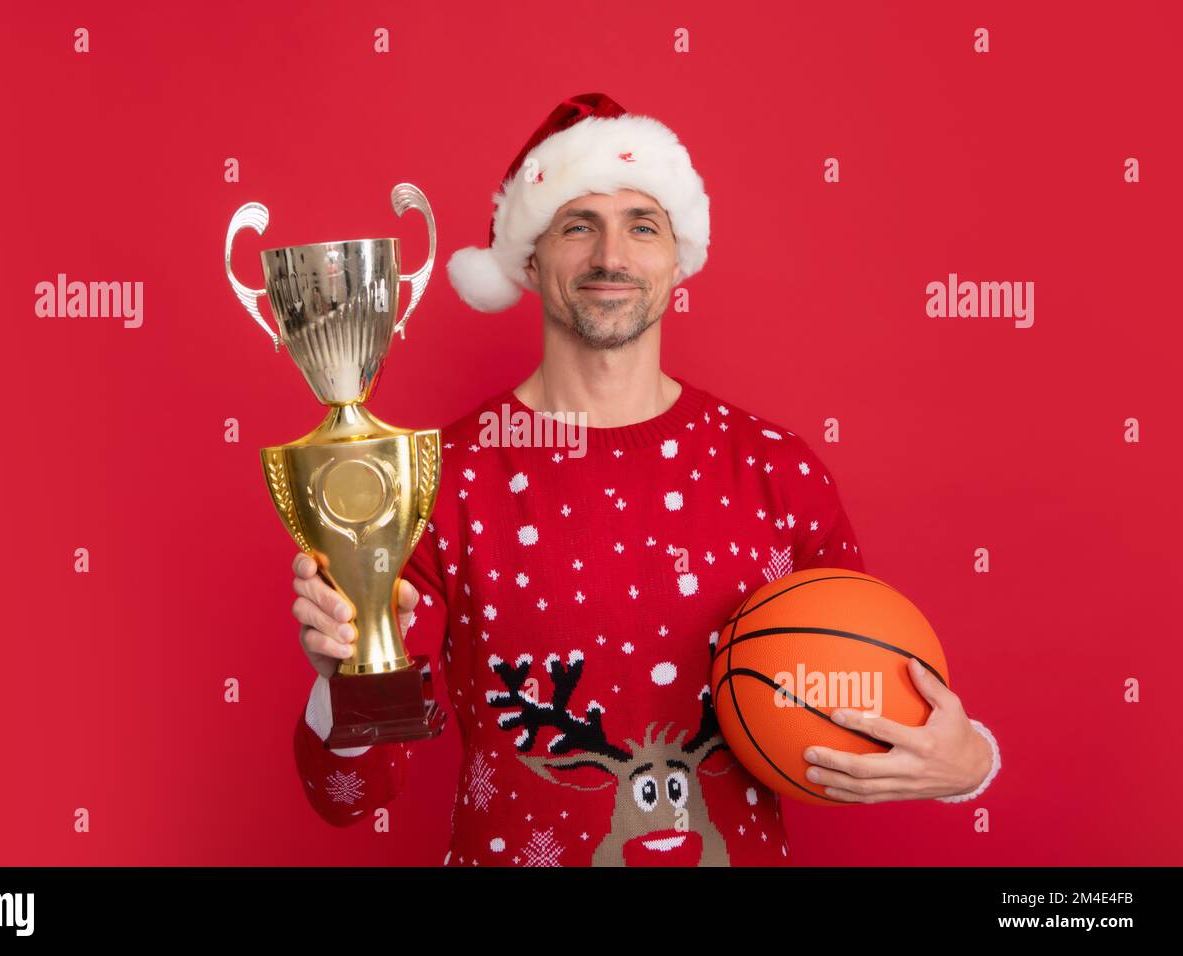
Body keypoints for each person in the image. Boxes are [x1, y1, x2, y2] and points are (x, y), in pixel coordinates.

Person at [290, 92, 1001, 866]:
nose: (611, 257)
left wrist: (969, 764)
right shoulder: (438, 481)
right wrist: (344, 680)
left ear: (676, 256)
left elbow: (867, 709)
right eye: (577, 224)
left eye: (641, 224)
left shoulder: (777, 469)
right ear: (528, 257)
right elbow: (347, 799)